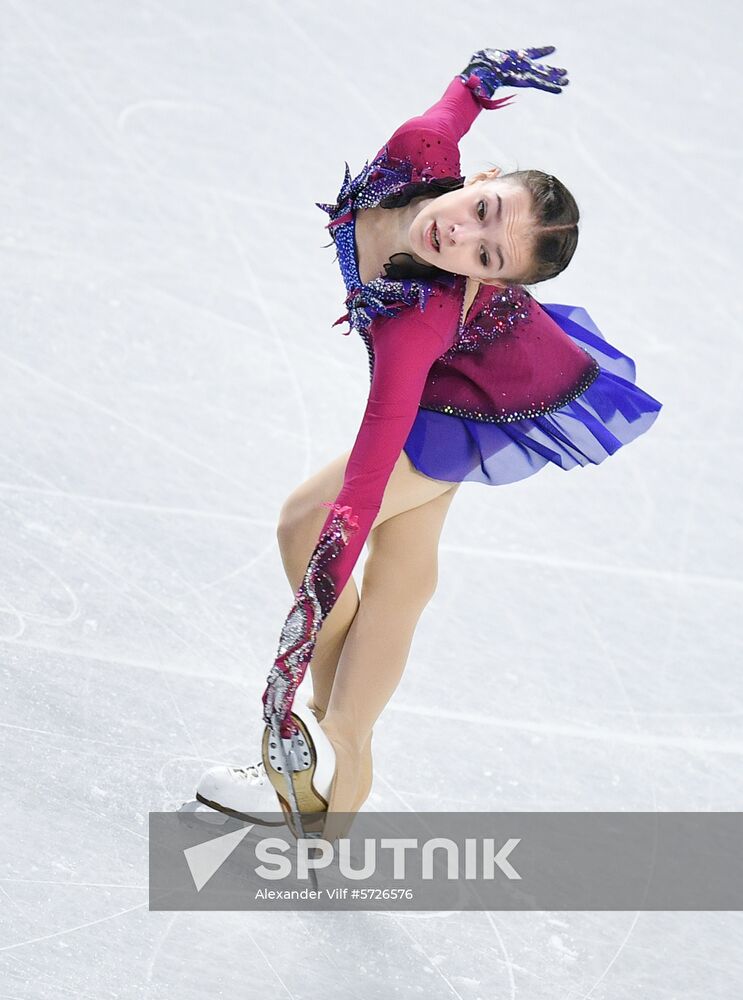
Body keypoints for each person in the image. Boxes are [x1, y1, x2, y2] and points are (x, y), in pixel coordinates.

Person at [193, 45, 662, 839]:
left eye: (486, 256)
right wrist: (479, 77)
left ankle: (325, 737)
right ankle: (335, 782)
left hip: (478, 392)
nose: (460, 237)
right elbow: (456, 103)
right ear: (477, 179)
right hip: (458, 366)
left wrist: (310, 622)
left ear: (495, 283)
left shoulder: (420, 316)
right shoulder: (414, 157)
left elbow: (370, 467)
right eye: (483, 212)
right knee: (400, 561)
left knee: (307, 523)